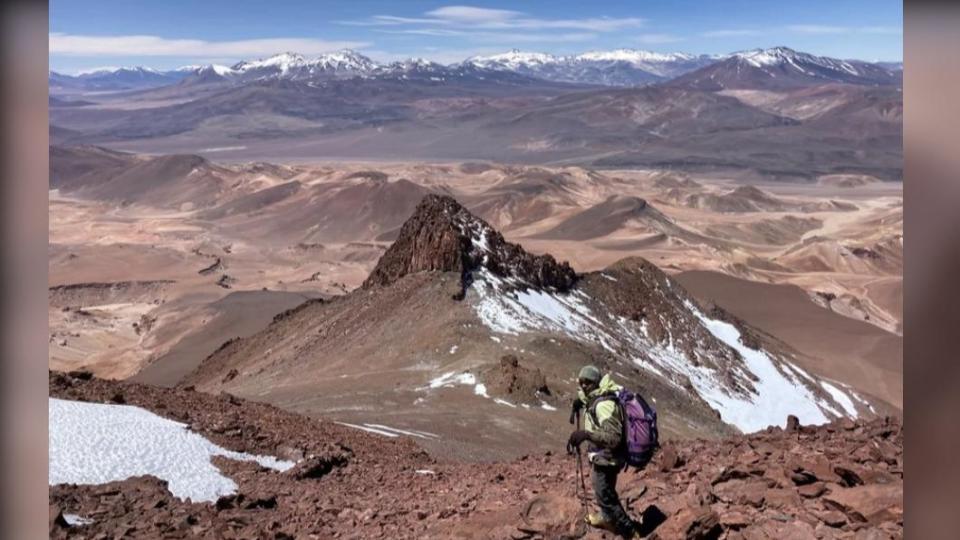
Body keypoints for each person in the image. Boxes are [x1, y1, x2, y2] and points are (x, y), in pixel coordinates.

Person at [567, 365, 639, 539]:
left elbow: (613, 438)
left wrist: (586, 434)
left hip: (608, 457)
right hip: (604, 456)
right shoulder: (596, 396)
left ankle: (630, 532)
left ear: (597, 383)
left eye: (588, 382)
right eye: (581, 382)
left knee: (605, 496)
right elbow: (587, 397)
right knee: (604, 490)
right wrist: (579, 401)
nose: (584, 386)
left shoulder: (603, 405)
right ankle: (607, 518)